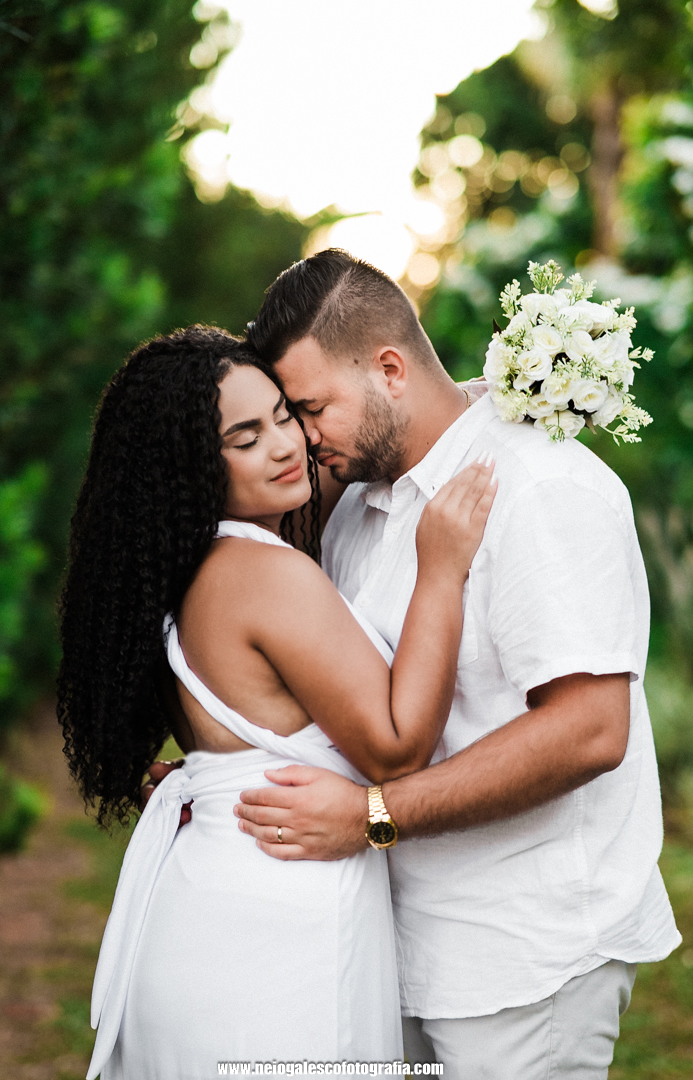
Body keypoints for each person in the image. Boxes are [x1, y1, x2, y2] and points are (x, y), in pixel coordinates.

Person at [225, 249, 682, 1079]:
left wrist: (370, 815)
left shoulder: (537, 485)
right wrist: (219, 775)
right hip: (394, 943)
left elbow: (587, 731)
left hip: (522, 956)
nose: (301, 437)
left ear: (389, 370)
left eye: (312, 408)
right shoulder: (359, 503)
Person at [57, 324, 496, 1079]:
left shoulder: (183, 567)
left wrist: (473, 397)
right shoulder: (264, 574)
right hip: (280, 922)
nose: (286, 445)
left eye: (285, 415)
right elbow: (395, 750)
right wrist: (439, 570)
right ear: (191, 464)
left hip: (208, 904)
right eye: (246, 437)